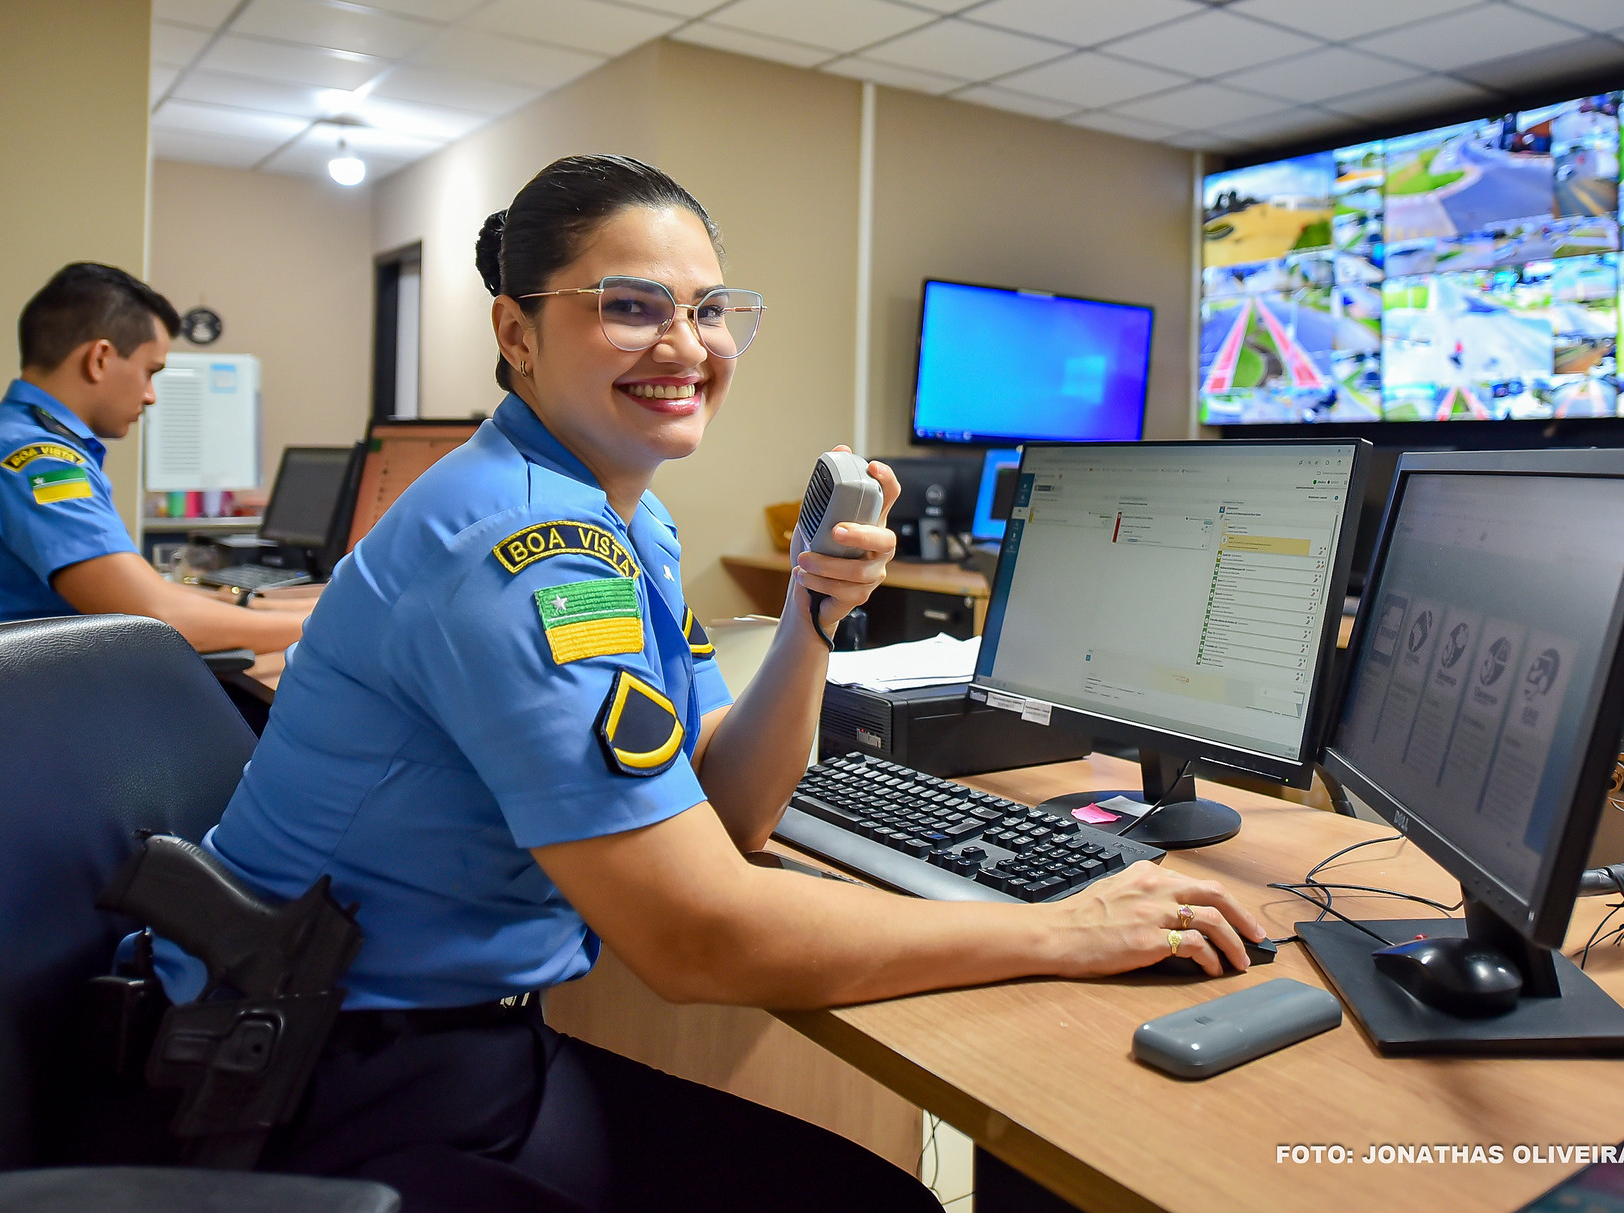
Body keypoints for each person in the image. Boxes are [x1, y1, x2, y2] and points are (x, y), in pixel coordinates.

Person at [173, 155, 1264, 1212]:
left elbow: (731, 801)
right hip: (320, 1080)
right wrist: (1064, 928)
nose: (686, 346)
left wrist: (811, 614)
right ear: (517, 333)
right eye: (631, 307)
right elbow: (696, 938)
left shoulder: (623, 519)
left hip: (426, 1034)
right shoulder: (529, 546)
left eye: (709, 310)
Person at [0, 263, 306, 653]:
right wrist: (318, 628)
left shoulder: (7, 439)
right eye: (149, 372)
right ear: (100, 358)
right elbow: (159, 619)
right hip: (33, 699)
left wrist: (266, 606)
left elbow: (153, 598)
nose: (151, 395)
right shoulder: (38, 462)